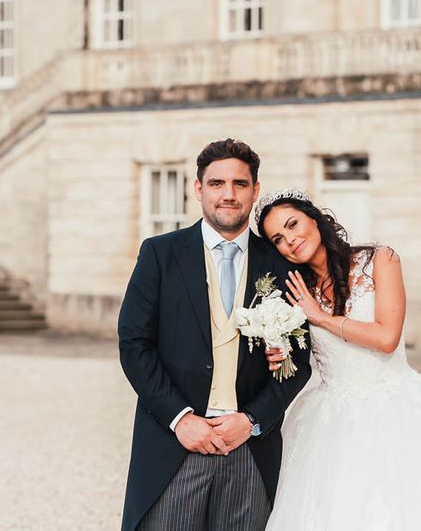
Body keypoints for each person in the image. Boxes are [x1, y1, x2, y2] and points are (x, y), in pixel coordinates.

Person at [256, 189, 421, 530]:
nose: (290, 240)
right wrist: (279, 353)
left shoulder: (380, 261)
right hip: (329, 421)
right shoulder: (294, 289)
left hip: (394, 408)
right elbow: (298, 357)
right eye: (278, 239)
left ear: (315, 218)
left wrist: (319, 316)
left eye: (293, 225)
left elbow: (386, 338)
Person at [118, 140, 311, 531]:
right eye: (217, 183)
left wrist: (253, 420)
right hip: (175, 445)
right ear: (198, 188)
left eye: (240, 184)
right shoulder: (159, 253)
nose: (228, 194)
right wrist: (180, 418)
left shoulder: (281, 264)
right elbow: (134, 344)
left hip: (249, 448)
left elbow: (299, 361)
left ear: (255, 191)